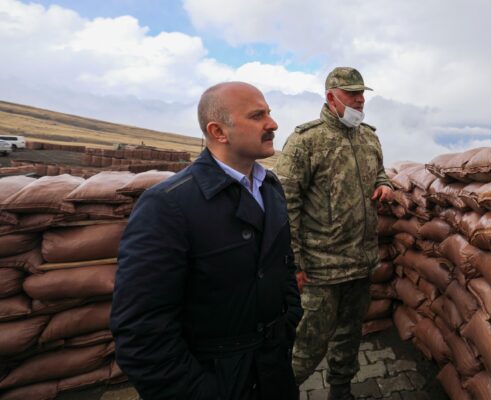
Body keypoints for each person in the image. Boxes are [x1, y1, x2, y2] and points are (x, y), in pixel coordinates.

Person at [110, 82, 302, 400]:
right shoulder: (167, 205)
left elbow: (283, 262)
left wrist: (290, 319)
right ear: (218, 131)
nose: (273, 123)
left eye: (269, 112)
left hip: (274, 369)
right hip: (218, 379)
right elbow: (141, 331)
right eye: (258, 116)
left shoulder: (270, 186)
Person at [274, 67, 393, 400]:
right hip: (320, 268)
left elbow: (380, 173)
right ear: (331, 97)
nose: (360, 99)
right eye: (352, 93)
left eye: (362, 93)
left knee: (349, 335)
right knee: (307, 345)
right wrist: (294, 264)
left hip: (361, 262)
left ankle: (340, 391)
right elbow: (285, 206)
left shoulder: (369, 136)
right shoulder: (306, 141)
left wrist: (384, 186)